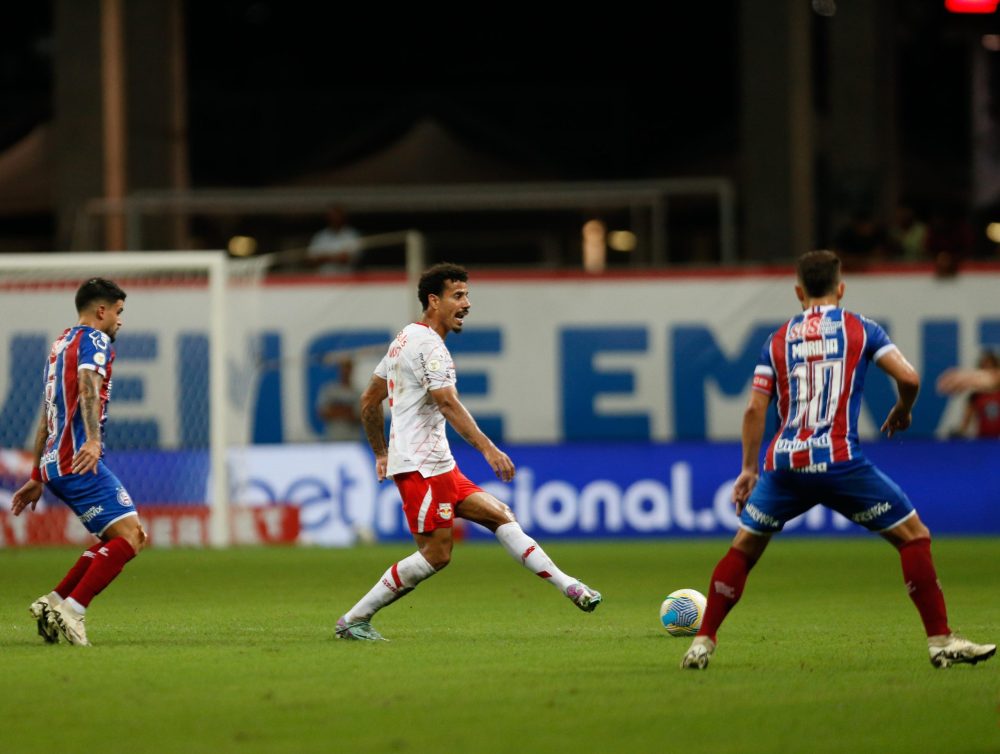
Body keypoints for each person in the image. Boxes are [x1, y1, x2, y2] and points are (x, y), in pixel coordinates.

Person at [679, 250, 995, 670]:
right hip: (841, 462)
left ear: (798, 291)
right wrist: (904, 408)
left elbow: (755, 409)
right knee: (913, 536)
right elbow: (910, 378)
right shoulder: (860, 329)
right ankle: (940, 641)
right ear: (840, 288)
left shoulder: (776, 340)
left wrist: (749, 469)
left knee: (743, 550)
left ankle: (702, 642)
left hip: (785, 466)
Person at [336, 263, 601, 640]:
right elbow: (447, 404)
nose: (467, 304)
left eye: (467, 295)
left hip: (438, 463)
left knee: (500, 515)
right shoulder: (431, 348)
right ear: (434, 301)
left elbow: (368, 401)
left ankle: (570, 586)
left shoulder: (405, 338)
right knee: (437, 554)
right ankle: (353, 620)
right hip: (421, 466)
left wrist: (381, 453)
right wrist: (489, 450)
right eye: (458, 296)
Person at [10, 278, 147, 647]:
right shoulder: (95, 340)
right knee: (132, 537)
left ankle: (53, 603)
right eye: (118, 312)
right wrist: (93, 438)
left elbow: (46, 414)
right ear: (101, 310)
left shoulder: (60, 346)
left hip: (56, 461)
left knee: (112, 538)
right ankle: (73, 609)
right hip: (77, 457)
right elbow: (88, 381)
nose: (120, 321)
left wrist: (38, 473)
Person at [945, 350, 1000, 439]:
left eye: (990, 366)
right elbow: (965, 423)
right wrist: (958, 433)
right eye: (984, 367)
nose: (986, 371)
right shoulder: (975, 396)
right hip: (983, 442)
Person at [316, 357, 362, 441]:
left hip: (352, 440)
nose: (345, 371)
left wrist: (336, 409)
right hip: (333, 439)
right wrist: (347, 410)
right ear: (339, 369)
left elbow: (359, 417)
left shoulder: (358, 393)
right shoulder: (329, 390)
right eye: (343, 367)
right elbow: (323, 413)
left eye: (347, 367)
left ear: (351, 369)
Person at [305, 205, 362, 273]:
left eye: (337, 216)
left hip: (346, 278)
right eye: (332, 216)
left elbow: (346, 259)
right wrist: (336, 257)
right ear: (327, 217)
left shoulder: (351, 235)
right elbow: (311, 260)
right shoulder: (320, 236)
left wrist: (323, 257)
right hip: (324, 278)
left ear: (343, 217)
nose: (335, 218)